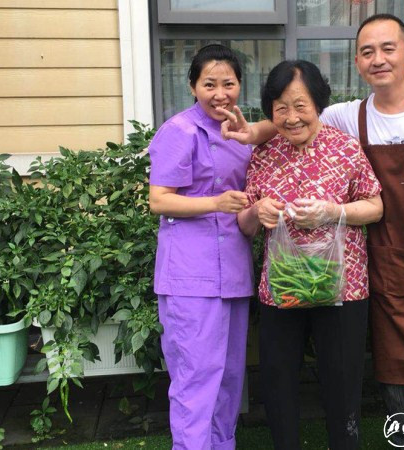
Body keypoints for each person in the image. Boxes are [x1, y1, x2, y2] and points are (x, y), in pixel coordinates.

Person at [221, 14, 404, 450]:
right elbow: (293, 114)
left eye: (388, 49)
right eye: (367, 51)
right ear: (357, 61)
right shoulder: (351, 115)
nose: (378, 59)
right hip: (388, 269)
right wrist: (253, 133)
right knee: (396, 381)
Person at [236, 60, 383, 450]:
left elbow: (376, 206)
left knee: (342, 379)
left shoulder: (346, 148)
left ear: (318, 103)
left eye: (300, 105)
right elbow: (245, 225)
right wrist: (256, 212)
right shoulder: (264, 154)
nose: (291, 117)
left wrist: (335, 212)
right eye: (281, 107)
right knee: (278, 378)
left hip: (342, 288)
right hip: (281, 289)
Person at [148, 44, 253, 450]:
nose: (219, 93)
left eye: (228, 83)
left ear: (240, 86)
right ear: (192, 86)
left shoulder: (240, 133)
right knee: (195, 377)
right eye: (209, 83)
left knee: (229, 376)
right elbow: (159, 200)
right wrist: (216, 203)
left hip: (234, 270)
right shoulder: (179, 130)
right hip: (190, 275)